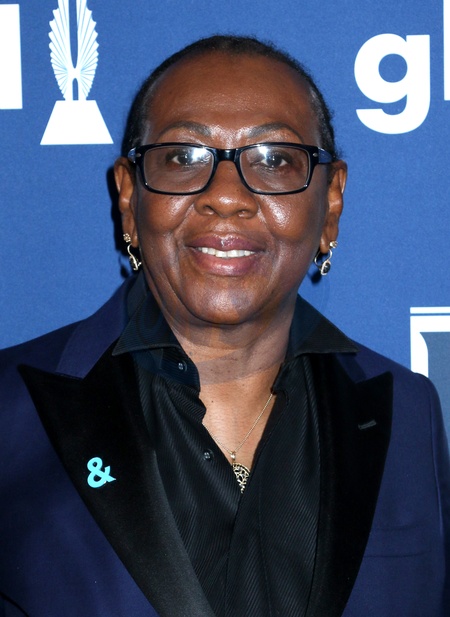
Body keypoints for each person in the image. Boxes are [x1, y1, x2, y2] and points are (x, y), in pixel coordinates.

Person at [0, 35, 449, 617]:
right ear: (129, 197)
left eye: (275, 159)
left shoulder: (409, 412)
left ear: (331, 203)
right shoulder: (11, 410)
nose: (227, 197)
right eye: (183, 157)